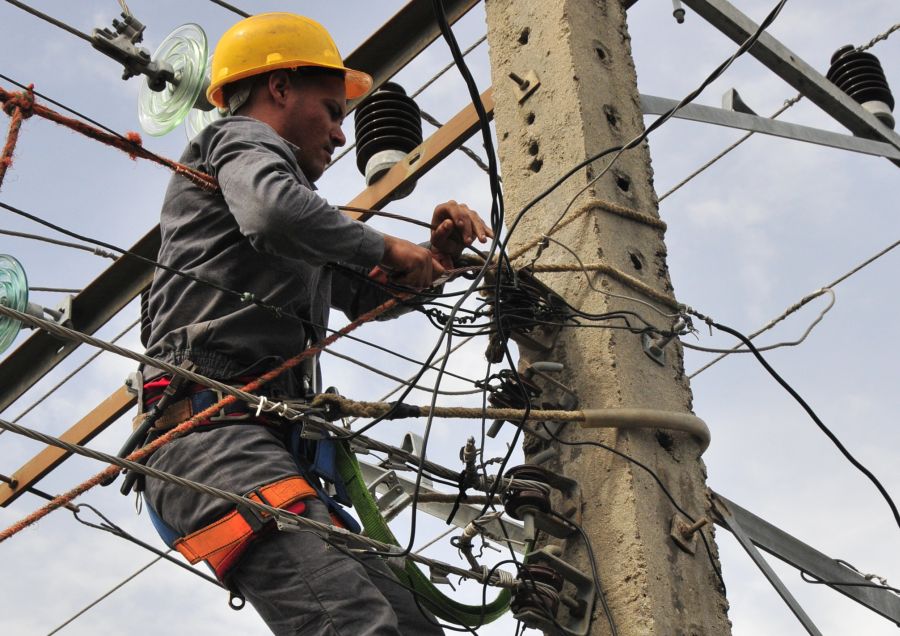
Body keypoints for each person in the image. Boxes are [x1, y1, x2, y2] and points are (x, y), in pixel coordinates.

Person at [138, 12, 492, 636]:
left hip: (269, 445)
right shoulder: (239, 142)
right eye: (331, 111)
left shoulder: (298, 210)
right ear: (279, 89)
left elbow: (370, 295)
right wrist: (387, 248)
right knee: (355, 625)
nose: (339, 135)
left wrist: (434, 259)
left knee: (410, 627)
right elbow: (277, 213)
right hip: (210, 436)